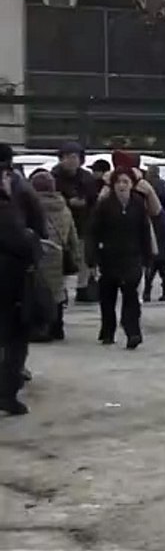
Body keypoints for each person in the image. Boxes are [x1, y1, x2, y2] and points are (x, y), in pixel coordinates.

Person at [86, 169, 155, 348]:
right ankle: (108, 330)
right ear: (113, 185)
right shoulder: (104, 205)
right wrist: (91, 259)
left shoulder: (138, 204)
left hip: (132, 257)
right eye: (119, 182)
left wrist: (148, 257)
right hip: (108, 257)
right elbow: (93, 233)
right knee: (108, 297)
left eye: (126, 182)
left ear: (132, 184)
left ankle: (133, 331)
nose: (122, 186)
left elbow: (144, 231)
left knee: (131, 296)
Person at [0, 171, 38, 415]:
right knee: (15, 340)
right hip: (9, 286)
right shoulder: (5, 210)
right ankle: (6, 393)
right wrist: (32, 239)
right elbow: (22, 245)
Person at [29, 170, 80, 342]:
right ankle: (58, 327)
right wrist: (76, 255)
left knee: (36, 291)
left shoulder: (31, 206)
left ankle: (41, 327)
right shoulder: (63, 206)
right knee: (57, 292)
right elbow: (72, 233)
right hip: (58, 255)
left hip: (36, 254)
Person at [51, 142, 99, 303]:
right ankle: (61, 290)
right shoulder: (54, 177)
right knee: (60, 259)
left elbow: (94, 199)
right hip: (60, 225)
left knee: (83, 257)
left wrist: (84, 201)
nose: (71, 161)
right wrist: (67, 202)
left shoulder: (87, 177)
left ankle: (83, 288)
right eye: (67, 157)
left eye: (74, 157)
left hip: (83, 223)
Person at [142, 166, 165, 302]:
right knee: (160, 260)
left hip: (152, 221)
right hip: (162, 221)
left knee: (152, 259)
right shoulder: (162, 184)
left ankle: (148, 290)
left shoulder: (146, 185)